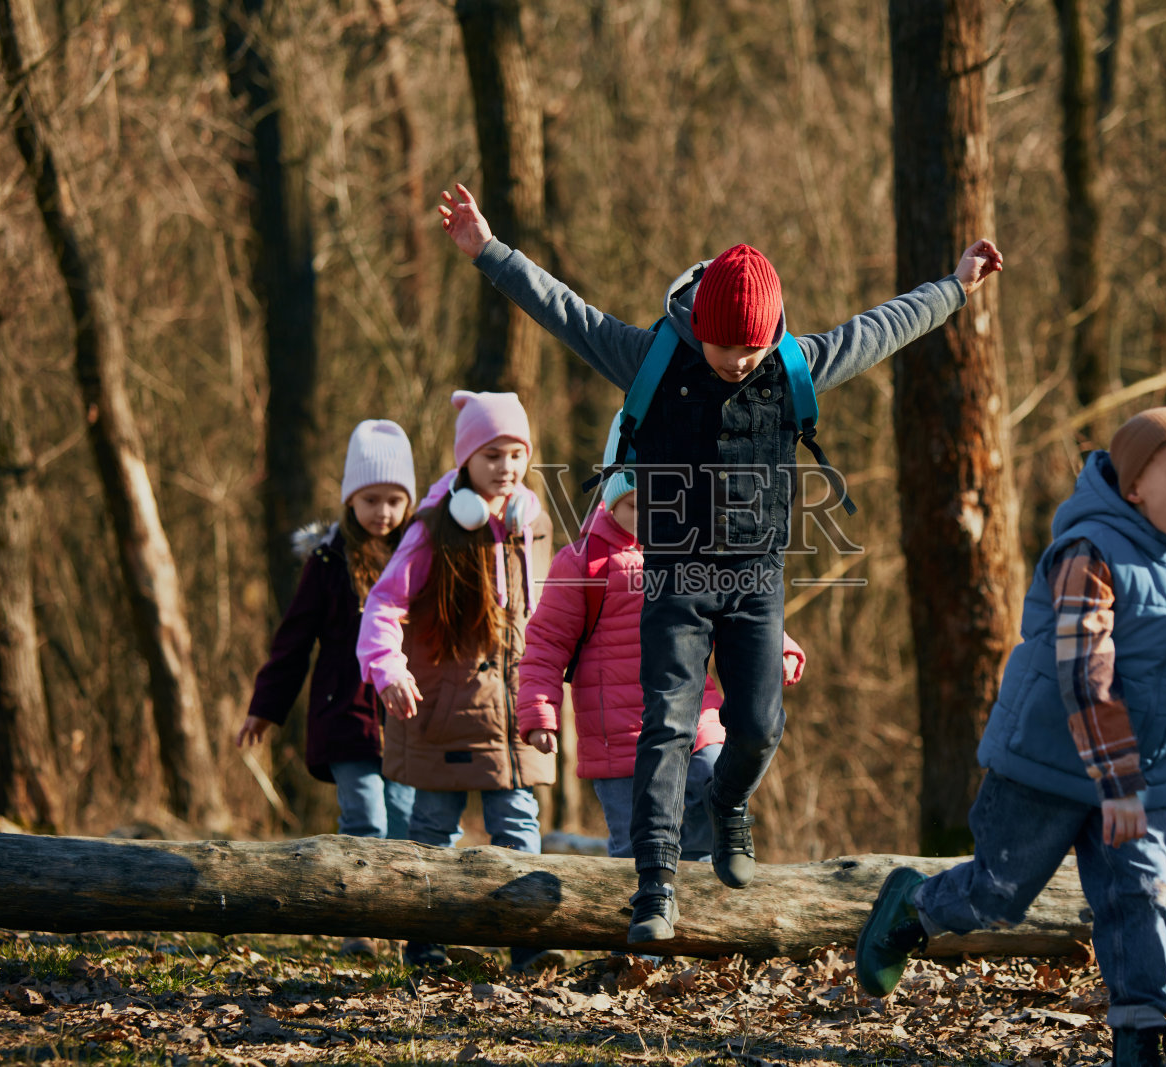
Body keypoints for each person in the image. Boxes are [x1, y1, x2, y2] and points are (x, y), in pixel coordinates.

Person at [437, 182, 1003, 945]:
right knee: (666, 725)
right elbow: (566, 311)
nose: (739, 362)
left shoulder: (792, 366)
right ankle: (655, 885)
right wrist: (488, 251)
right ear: (698, 327)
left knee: (759, 726)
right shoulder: (651, 358)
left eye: (753, 348)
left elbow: (880, 328)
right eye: (726, 347)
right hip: (674, 573)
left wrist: (955, 287)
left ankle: (730, 803)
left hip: (753, 579)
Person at [854, 408, 1166, 1067]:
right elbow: (1086, 674)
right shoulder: (1088, 551)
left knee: (1144, 896)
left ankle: (1141, 1038)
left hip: (1135, 776)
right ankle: (912, 905)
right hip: (1045, 764)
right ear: (1134, 486)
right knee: (996, 895)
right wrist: (1116, 779)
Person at [516, 417, 807, 864]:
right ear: (612, 500)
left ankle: (707, 889)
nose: (651, 517)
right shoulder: (583, 563)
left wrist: (777, 648)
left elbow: (740, 612)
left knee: (714, 786)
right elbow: (545, 644)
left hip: (694, 719)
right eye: (637, 505)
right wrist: (540, 712)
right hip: (621, 740)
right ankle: (646, 900)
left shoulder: (700, 552)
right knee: (639, 850)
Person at [356, 390, 562, 974]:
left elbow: (552, 613)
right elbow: (383, 605)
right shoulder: (432, 529)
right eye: (492, 455)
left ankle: (528, 943)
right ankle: (427, 943)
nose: (506, 467)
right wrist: (388, 668)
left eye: (517, 454)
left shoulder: (533, 525)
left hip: (515, 711)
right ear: (466, 459)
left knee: (518, 826)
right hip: (444, 712)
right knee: (432, 830)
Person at [237, 419, 418, 958]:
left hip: (405, 717)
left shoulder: (419, 556)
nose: (382, 512)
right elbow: (293, 640)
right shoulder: (327, 561)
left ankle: (403, 924)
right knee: (365, 818)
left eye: (394, 500)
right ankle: (358, 924)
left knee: (405, 822)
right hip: (345, 714)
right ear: (350, 500)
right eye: (370, 500)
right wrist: (266, 707)